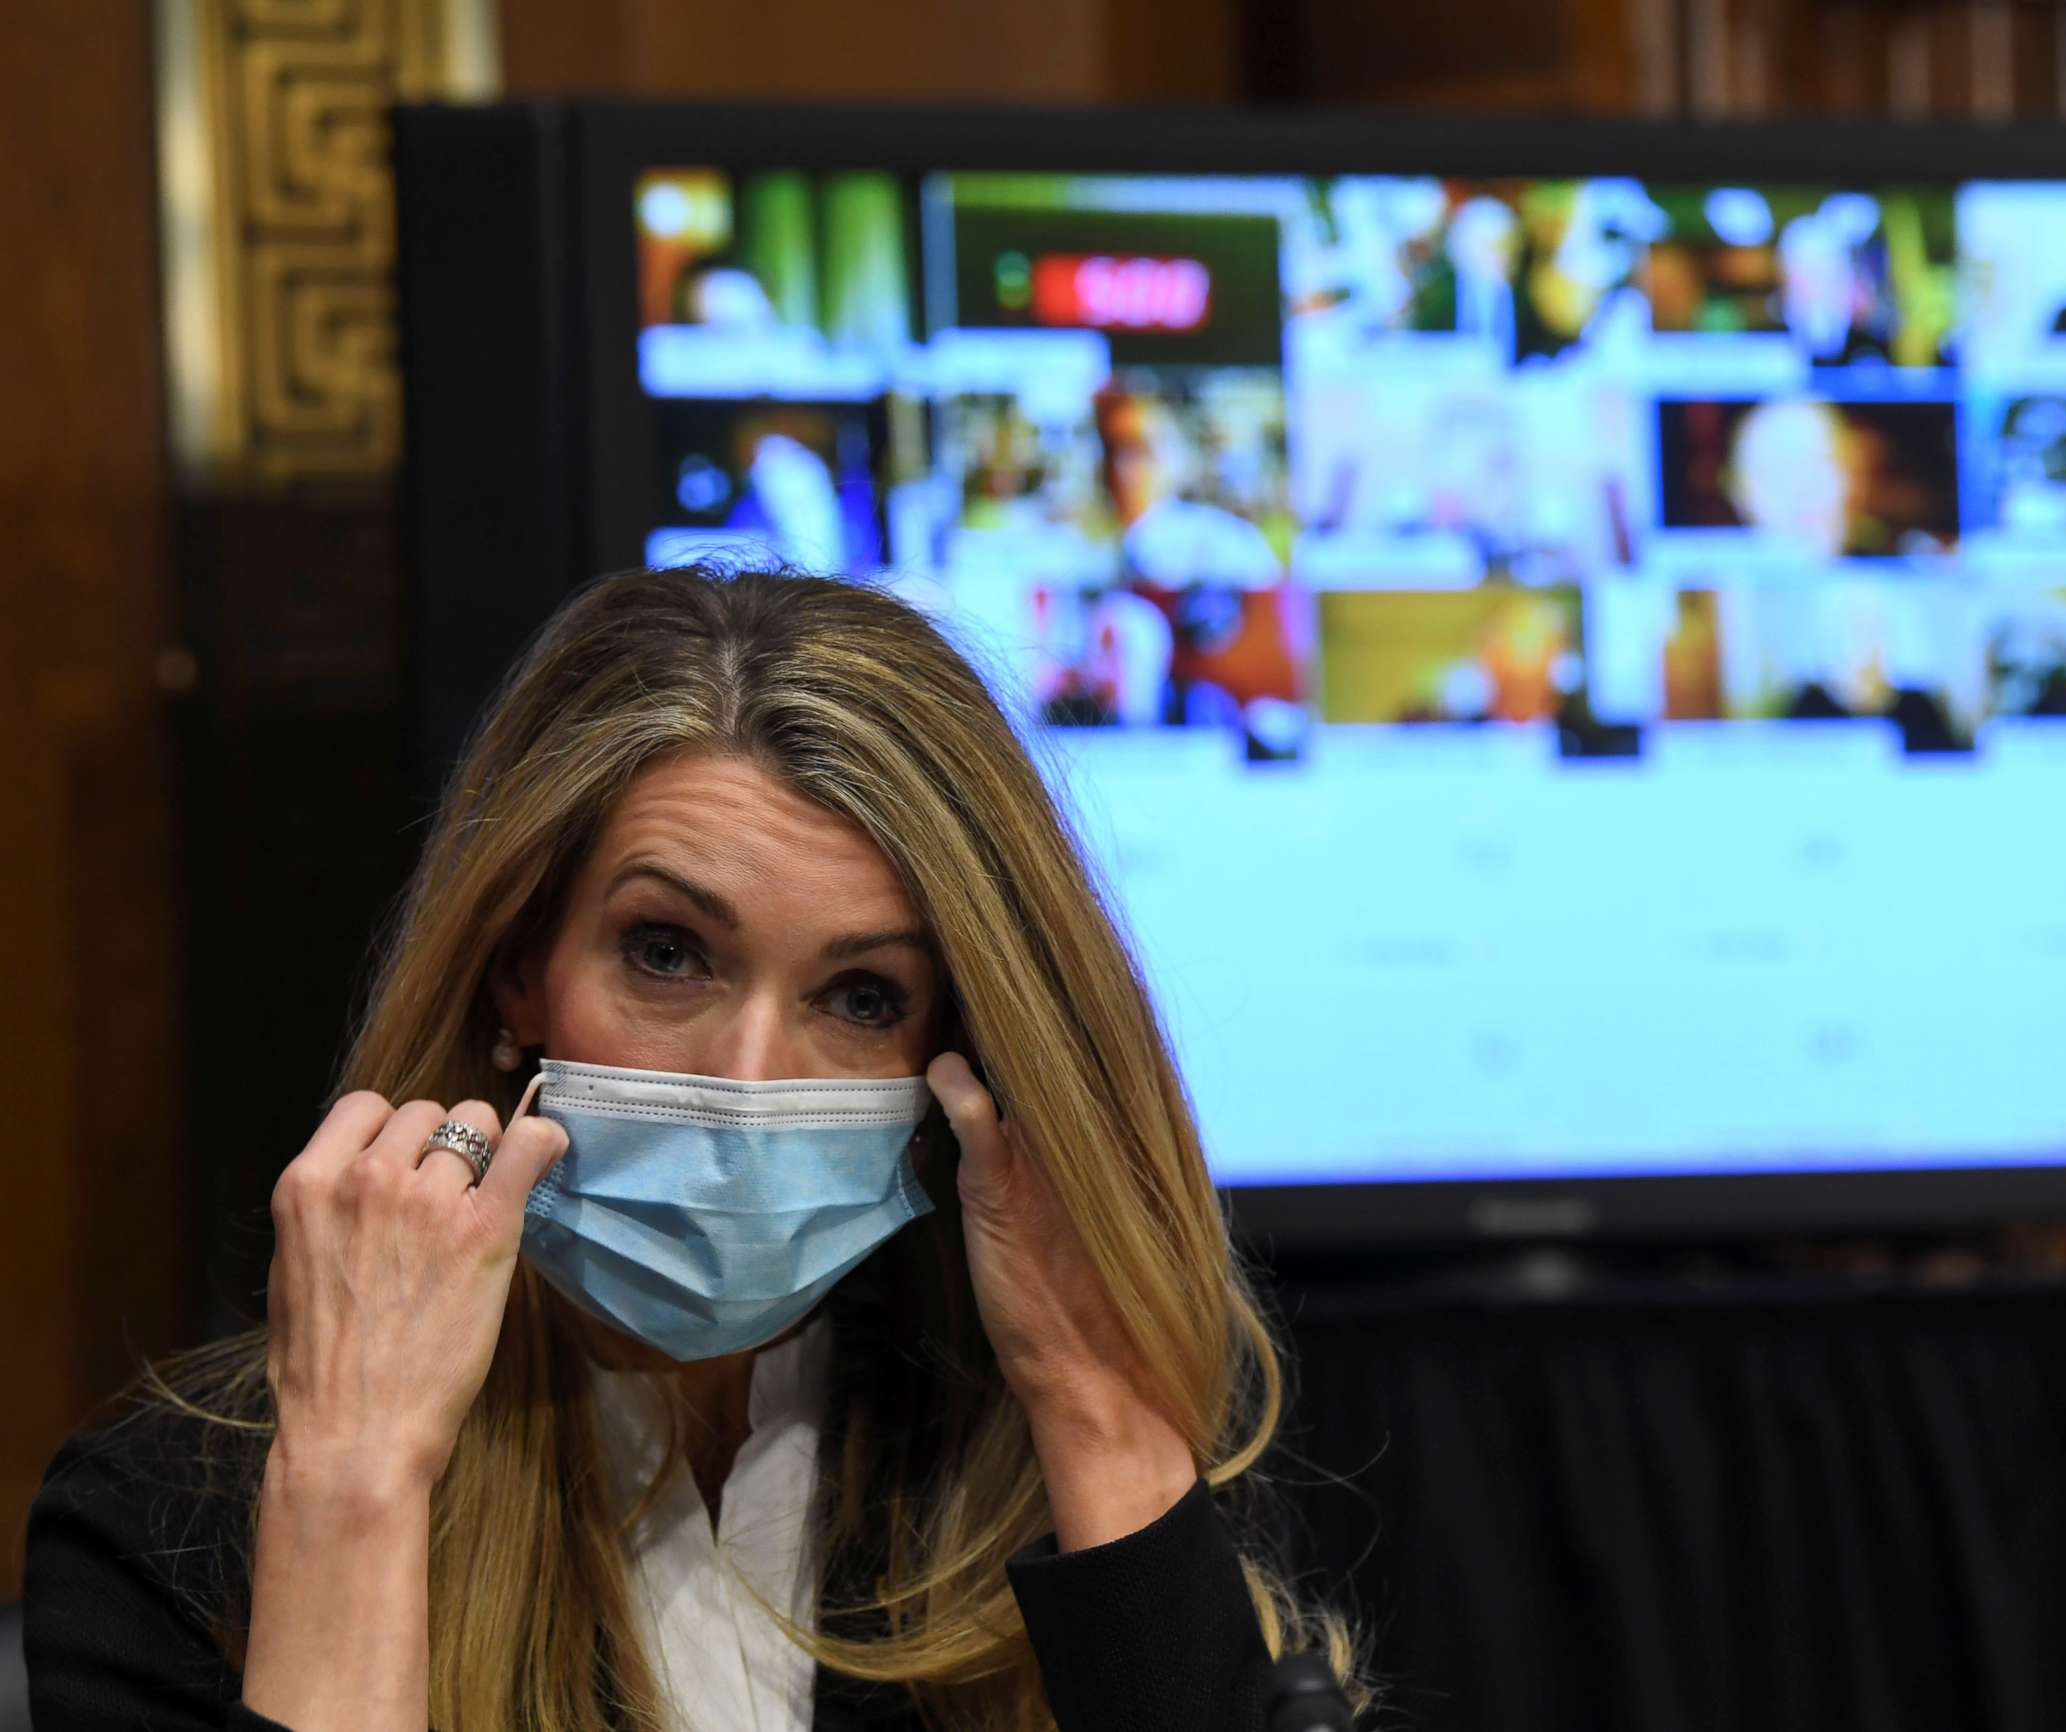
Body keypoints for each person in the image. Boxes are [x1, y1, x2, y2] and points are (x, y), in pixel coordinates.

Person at [24, 565, 1367, 1732]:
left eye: (863, 999)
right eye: (667, 954)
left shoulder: (1022, 1477)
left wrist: (1100, 1418)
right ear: (515, 975)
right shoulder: (175, 1521)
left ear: (965, 1057)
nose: (745, 1085)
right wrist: (357, 1491)